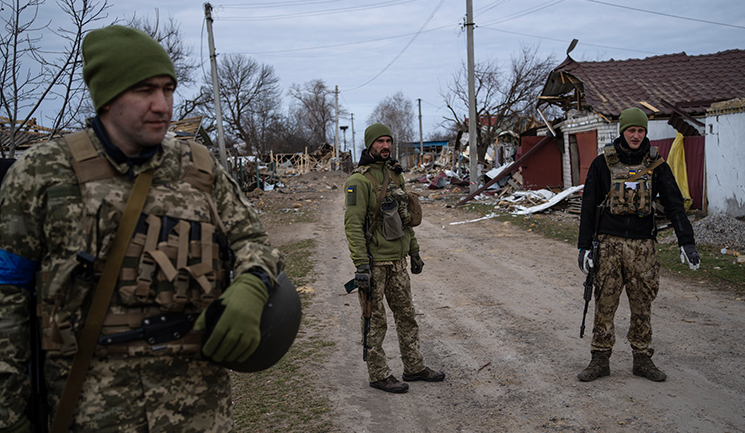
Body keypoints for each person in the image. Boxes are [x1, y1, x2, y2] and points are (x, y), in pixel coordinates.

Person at [0, 25, 283, 431]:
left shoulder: (199, 168)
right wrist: (10, 419)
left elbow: (252, 239)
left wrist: (253, 282)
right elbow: (8, 303)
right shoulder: (41, 174)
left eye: (168, 89)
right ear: (107, 97)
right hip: (93, 413)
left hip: (201, 412)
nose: (162, 105)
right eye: (145, 90)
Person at [576, 107, 701, 383]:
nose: (636, 135)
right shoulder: (601, 164)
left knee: (642, 303)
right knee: (605, 302)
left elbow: (675, 204)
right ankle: (600, 358)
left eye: (641, 130)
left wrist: (687, 242)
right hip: (608, 245)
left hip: (643, 247)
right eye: (631, 130)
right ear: (623, 131)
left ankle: (642, 358)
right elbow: (588, 206)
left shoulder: (657, 165)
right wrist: (584, 247)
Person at [344, 123, 445, 393]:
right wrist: (361, 265)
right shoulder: (358, 182)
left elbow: (405, 219)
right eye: (380, 141)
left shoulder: (395, 174)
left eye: (388, 141)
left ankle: (414, 366)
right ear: (370, 145)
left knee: (407, 316)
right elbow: (353, 226)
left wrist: (414, 251)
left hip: (398, 261)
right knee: (375, 322)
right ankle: (378, 374)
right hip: (374, 264)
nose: (386, 146)